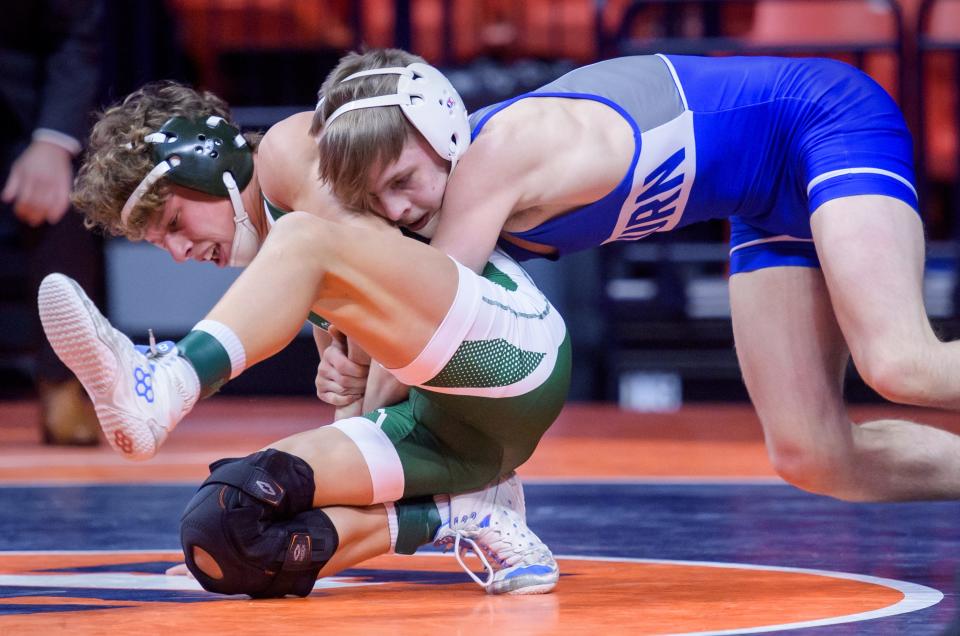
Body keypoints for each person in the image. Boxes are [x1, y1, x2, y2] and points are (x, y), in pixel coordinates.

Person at [315, 48, 960, 504]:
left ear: (443, 125)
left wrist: (347, 442)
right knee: (811, 456)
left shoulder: (497, 157)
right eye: (380, 198)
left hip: (821, 123)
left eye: (402, 181)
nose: (398, 209)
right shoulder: (437, 200)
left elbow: (425, 327)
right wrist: (350, 361)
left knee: (900, 364)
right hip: (762, 200)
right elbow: (385, 311)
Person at [39, 81, 570, 597]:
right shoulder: (293, 268)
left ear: (212, 166)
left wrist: (360, 383)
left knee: (302, 239)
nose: (179, 253)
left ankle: (170, 381)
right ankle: (466, 509)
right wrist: (352, 413)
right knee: (225, 524)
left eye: (175, 222)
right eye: (161, 244)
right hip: (449, 434)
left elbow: (369, 262)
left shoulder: (288, 150)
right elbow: (356, 393)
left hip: (511, 352)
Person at [1, 0, 104, 445]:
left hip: (26, 104)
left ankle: (65, 385)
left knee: (63, 203)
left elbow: (76, 37)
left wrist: (53, 142)